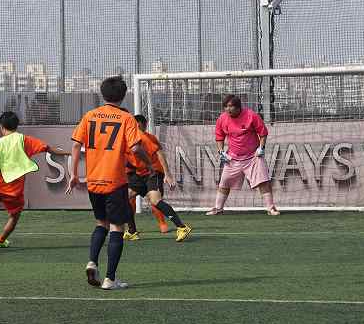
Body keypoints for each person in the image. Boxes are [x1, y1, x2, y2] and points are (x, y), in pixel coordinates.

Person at [66, 76, 151, 290]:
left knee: (100, 223)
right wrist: (148, 162)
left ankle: (92, 262)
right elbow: (135, 148)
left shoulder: (90, 116)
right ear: (123, 95)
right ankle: (110, 279)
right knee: (116, 227)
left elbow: (75, 145)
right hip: (115, 181)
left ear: (103, 93)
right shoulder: (126, 118)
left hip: (93, 181)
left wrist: (74, 174)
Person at [0, 111, 70, 248]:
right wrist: (70, 152)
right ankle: (0, 241)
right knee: (14, 216)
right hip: (14, 189)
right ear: (16, 126)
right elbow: (50, 149)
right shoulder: (25, 140)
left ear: (1, 127)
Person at [124, 114, 192, 242]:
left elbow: (159, 153)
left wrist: (167, 174)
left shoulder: (142, 137)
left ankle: (182, 227)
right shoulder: (124, 137)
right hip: (139, 174)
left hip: (152, 172)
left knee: (155, 200)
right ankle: (132, 231)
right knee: (125, 197)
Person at [207, 95, 279, 216]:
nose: (228, 109)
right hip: (233, 158)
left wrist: (261, 148)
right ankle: (218, 208)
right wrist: (221, 151)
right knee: (224, 182)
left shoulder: (251, 115)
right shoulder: (222, 119)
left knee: (263, 181)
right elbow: (219, 137)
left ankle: (271, 208)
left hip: (253, 157)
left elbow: (263, 133)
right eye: (226, 107)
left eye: (231, 106)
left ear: (238, 107)